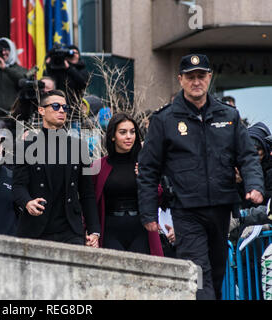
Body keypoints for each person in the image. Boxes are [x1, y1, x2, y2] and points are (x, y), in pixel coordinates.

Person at [137, 53, 264, 300]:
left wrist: (254, 185)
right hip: (186, 211)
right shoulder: (164, 120)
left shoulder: (228, 116)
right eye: (191, 77)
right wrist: (148, 212)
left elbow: (248, 155)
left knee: (216, 274)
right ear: (181, 80)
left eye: (201, 76)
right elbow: (148, 169)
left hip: (221, 207)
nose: (196, 81)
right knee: (198, 274)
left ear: (209, 78)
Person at [12, 90, 100, 246]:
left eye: (65, 108)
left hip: (70, 230)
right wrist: (27, 202)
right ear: (41, 110)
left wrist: (94, 230)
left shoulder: (78, 147)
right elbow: (18, 186)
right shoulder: (25, 148)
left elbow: (87, 193)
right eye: (55, 106)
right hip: (36, 228)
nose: (61, 110)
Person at [91, 112, 164, 255]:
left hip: (141, 229)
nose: (129, 136)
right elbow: (90, 202)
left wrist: (145, 179)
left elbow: (160, 197)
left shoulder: (145, 164)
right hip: (110, 230)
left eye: (132, 132)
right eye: (123, 132)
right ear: (113, 136)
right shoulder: (97, 166)